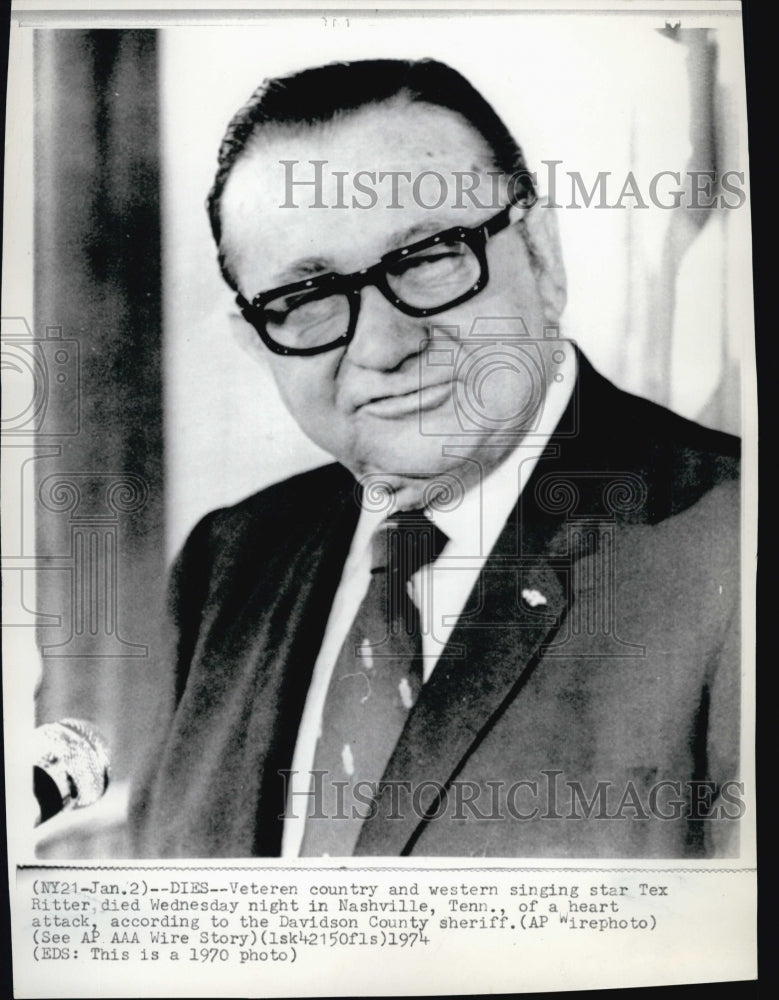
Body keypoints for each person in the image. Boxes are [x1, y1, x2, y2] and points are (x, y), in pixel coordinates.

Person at [129, 59, 741, 858]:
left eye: (424, 258)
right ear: (255, 338)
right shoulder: (227, 563)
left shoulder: (733, 543)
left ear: (542, 255)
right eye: (306, 299)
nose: (384, 344)